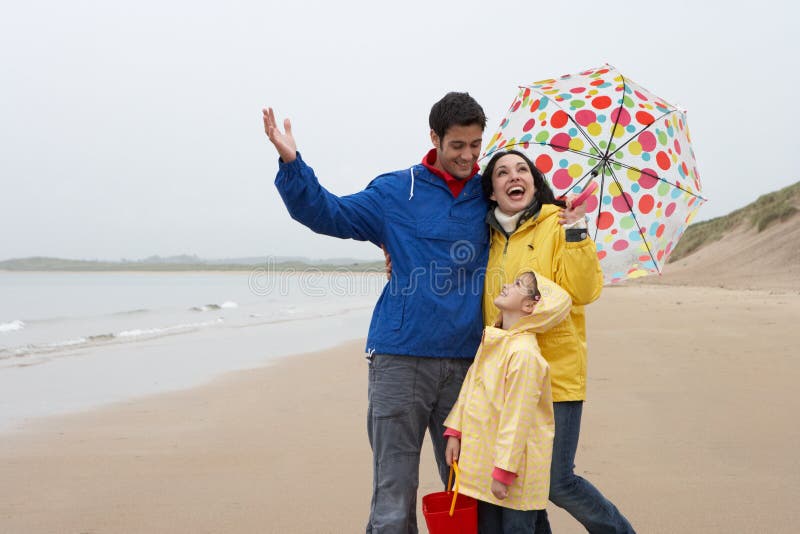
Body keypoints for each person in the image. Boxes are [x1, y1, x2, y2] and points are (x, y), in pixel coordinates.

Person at [262, 92, 490, 533]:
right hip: (400, 360)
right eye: (458, 145)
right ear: (435, 138)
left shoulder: (488, 195)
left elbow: (530, 224)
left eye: (476, 145)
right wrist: (293, 164)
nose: (468, 155)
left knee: (466, 490)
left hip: (468, 364)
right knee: (394, 494)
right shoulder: (395, 191)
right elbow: (329, 213)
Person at [481, 149, 635, 533]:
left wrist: (577, 231)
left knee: (555, 480)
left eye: (521, 169)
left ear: (533, 181)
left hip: (556, 377)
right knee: (519, 483)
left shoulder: (558, 221)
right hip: (508, 380)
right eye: (502, 172)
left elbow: (584, 291)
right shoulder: (488, 237)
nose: (513, 176)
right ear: (492, 191)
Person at [443, 271, 571, 534]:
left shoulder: (524, 355)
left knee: (517, 527)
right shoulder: (495, 339)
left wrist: (503, 472)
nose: (506, 285)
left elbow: (517, 419)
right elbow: (471, 386)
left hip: (512, 471)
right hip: (485, 463)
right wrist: (456, 431)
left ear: (530, 305)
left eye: (517, 285)